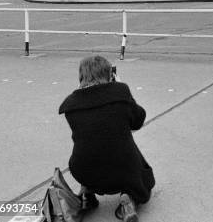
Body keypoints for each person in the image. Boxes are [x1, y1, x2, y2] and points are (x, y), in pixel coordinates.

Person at [58, 56, 155, 222]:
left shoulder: (70, 105)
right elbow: (138, 121)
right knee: (130, 155)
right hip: (123, 171)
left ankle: (87, 193)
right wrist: (123, 92)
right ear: (110, 74)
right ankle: (128, 198)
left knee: (93, 146)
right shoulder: (120, 93)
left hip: (83, 170)